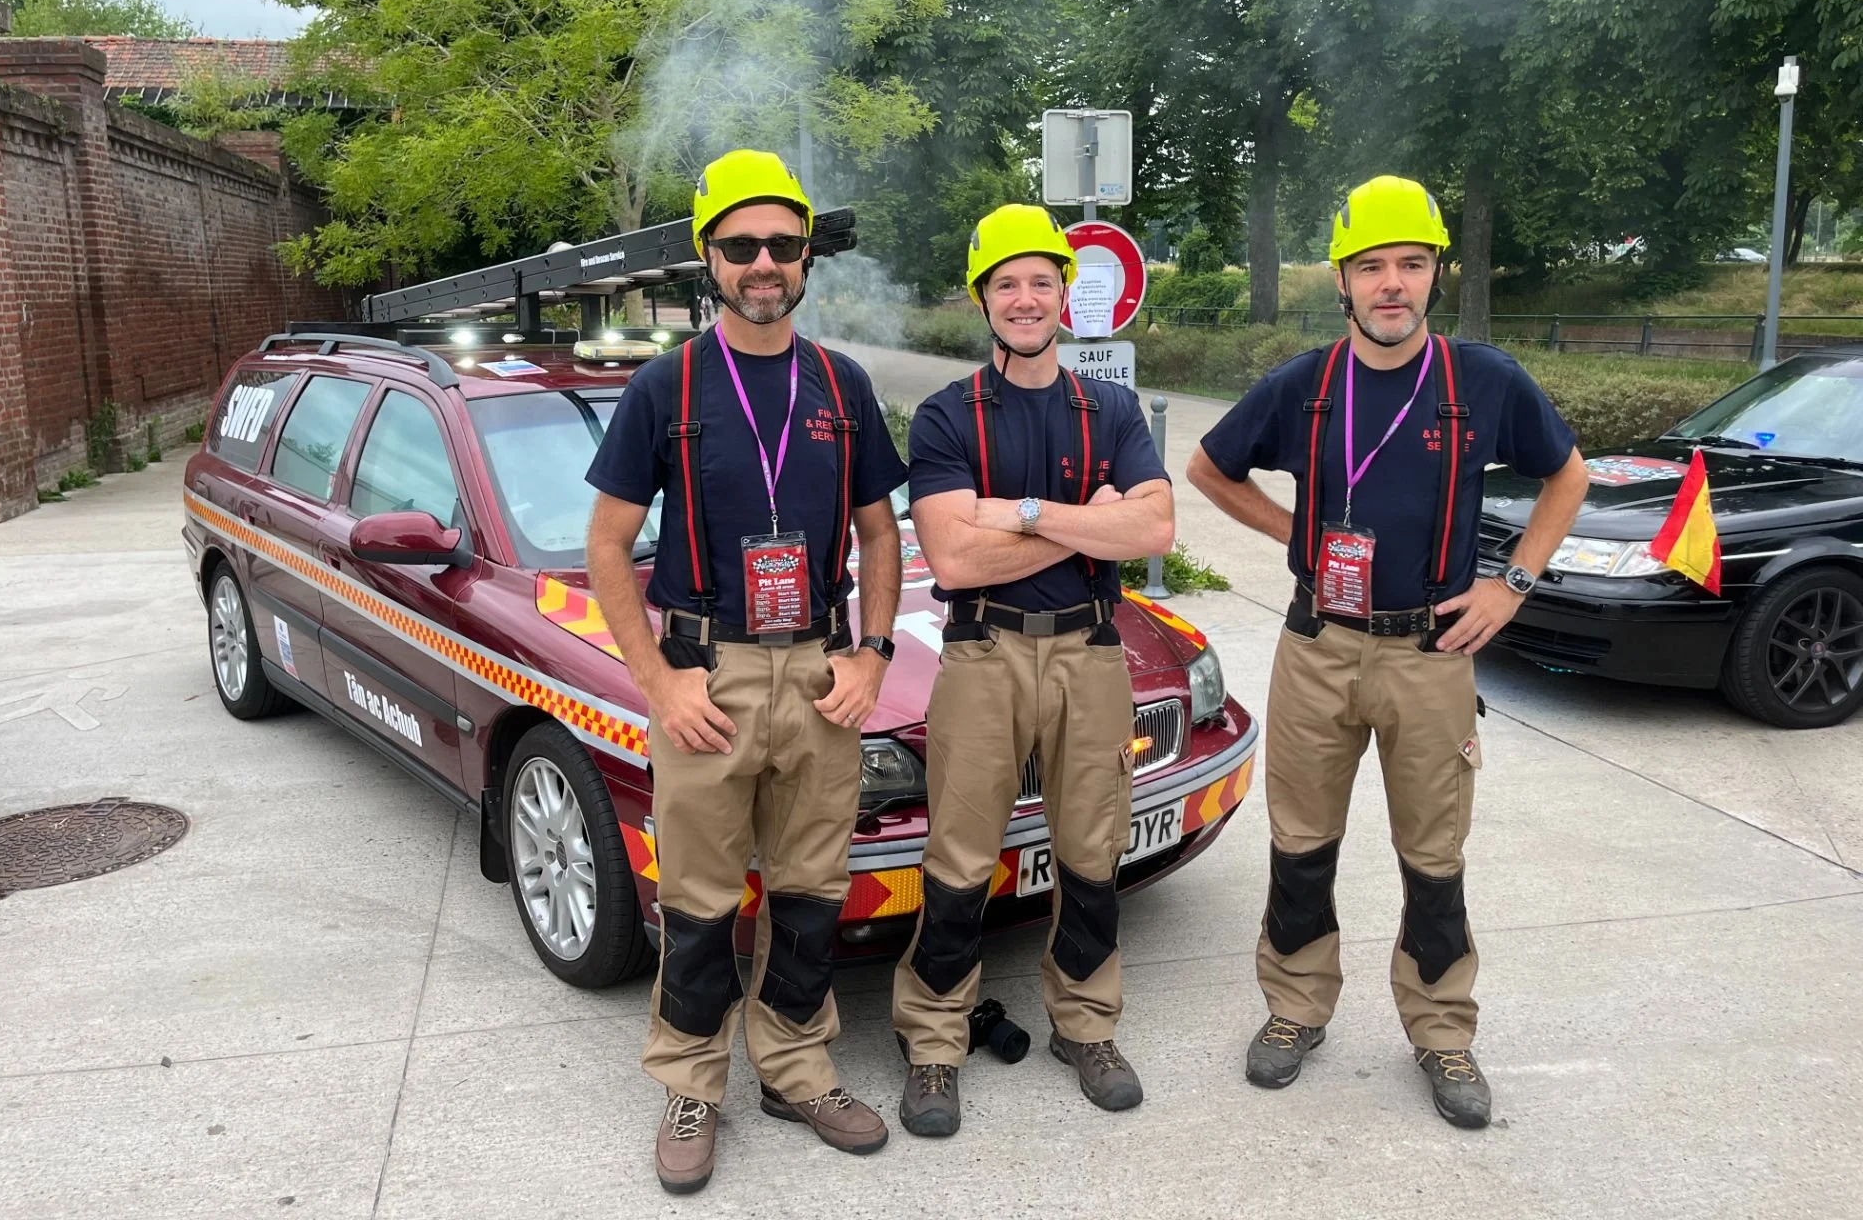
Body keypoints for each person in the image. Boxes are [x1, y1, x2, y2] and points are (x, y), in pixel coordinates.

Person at [1186, 175, 1589, 1129]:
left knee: (1434, 856)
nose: (1392, 284)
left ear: (1435, 273)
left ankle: (1443, 1034)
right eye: (1372, 267)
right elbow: (1208, 466)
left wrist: (1512, 583)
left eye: (1411, 264)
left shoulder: (1482, 380)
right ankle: (1294, 1011)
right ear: (1342, 282)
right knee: (1300, 845)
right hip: (1318, 646)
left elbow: (1567, 475)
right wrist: (1294, 534)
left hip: (1431, 652)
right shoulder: (1305, 384)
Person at [585, 149, 908, 1193]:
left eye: (783, 244)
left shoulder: (841, 383)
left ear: (807, 255)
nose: (764, 263)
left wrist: (872, 650)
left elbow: (880, 532)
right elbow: (606, 545)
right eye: (741, 246)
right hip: (705, 673)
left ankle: (798, 1069)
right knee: (701, 903)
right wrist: (658, 681)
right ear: (709, 260)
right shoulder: (664, 386)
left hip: (817, 670)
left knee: (813, 892)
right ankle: (692, 1084)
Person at [890, 203, 1175, 1137]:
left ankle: (1085, 1027)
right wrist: (1074, 515)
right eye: (1005, 283)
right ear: (983, 298)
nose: (1024, 298)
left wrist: (1010, 512)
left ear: (1067, 295)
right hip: (983, 649)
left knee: (1093, 853)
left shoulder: (1114, 409)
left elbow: (1153, 530)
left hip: (1091, 651)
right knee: (961, 858)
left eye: (1041, 282)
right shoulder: (945, 416)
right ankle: (935, 1042)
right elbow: (956, 563)